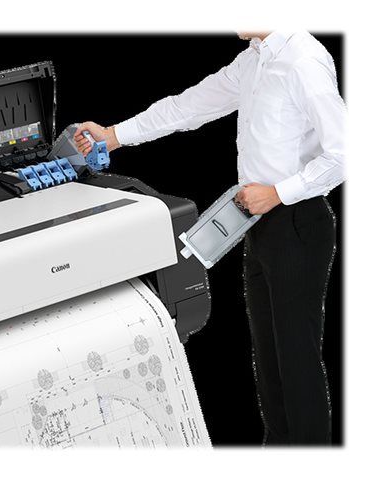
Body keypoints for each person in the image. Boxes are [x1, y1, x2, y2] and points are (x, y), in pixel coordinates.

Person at [74, 31, 345, 445]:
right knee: (269, 363)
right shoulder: (254, 60)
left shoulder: (302, 59)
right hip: (257, 223)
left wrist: (278, 193)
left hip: (296, 222)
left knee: (296, 361)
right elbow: (189, 106)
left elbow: (345, 154)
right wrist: (112, 135)